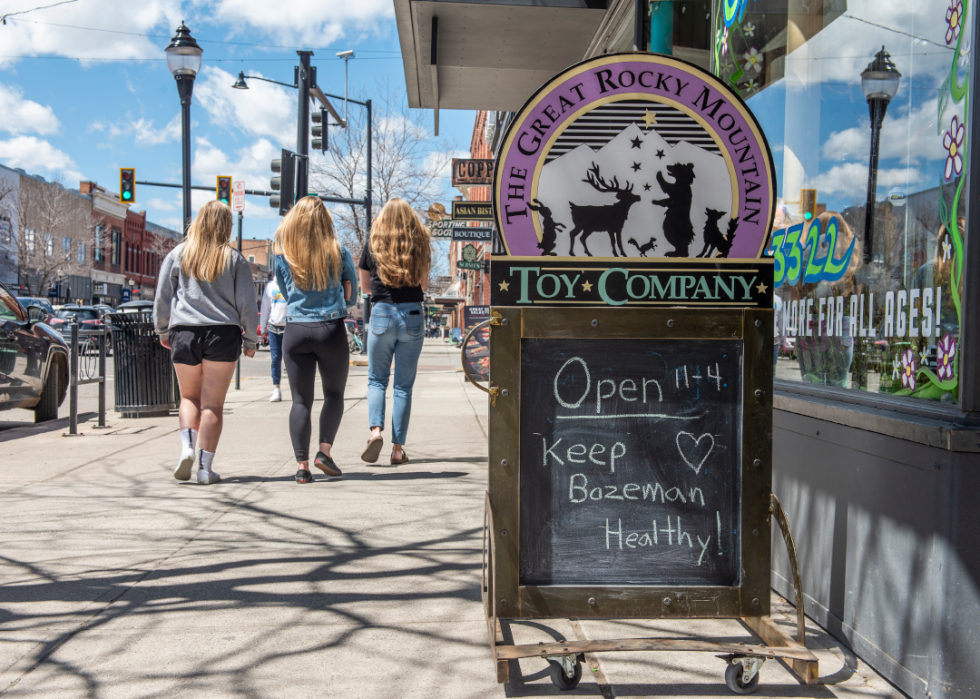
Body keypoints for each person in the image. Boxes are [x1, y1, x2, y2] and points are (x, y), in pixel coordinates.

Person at [153, 201, 259, 485]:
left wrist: (163, 331)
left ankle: (187, 447)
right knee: (212, 405)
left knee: (188, 397)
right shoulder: (235, 260)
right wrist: (250, 338)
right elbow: (247, 303)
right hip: (222, 334)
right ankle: (204, 469)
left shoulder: (178, 254)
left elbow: (163, 297)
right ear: (226, 227)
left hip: (184, 332)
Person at [274, 197, 357, 484]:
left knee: (300, 401)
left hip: (296, 330)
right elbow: (353, 296)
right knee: (334, 394)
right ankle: (324, 452)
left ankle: (302, 467)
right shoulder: (339, 251)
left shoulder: (283, 255)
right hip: (329, 329)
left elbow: (286, 293)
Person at [358, 198, 430, 465]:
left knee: (377, 380)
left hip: (382, 314)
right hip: (412, 314)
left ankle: (375, 431)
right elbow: (422, 285)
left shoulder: (373, 243)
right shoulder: (421, 244)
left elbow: (366, 288)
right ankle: (397, 450)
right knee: (403, 386)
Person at [260, 269, 287, 401]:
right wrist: (263, 329)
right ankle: (276, 389)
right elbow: (265, 308)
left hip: (290, 327)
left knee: (291, 360)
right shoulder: (271, 286)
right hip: (273, 328)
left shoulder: (292, 283)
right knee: (275, 359)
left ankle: (296, 389)